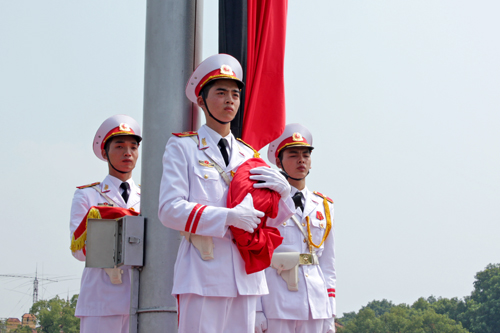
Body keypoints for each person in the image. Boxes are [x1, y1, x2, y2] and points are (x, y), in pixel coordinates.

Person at [158, 54, 295, 333]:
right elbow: (169, 209)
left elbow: (270, 219)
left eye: (235, 94)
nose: (230, 100)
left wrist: (285, 195)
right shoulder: (183, 148)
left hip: (245, 277)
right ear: (201, 100)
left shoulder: (250, 155)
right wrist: (228, 217)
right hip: (202, 272)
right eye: (220, 93)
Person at [255, 123, 336, 333]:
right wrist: (256, 309)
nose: (301, 160)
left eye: (306, 154)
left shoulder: (324, 206)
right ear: (280, 162)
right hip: (277, 300)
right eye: (293, 154)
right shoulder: (267, 201)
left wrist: (330, 311)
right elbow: (256, 256)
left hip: (315, 303)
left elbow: (328, 264)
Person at [69, 114, 142, 333]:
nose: (127, 153)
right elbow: (79, 251)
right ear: (104, 153)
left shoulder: (149, 196)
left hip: (138, 297)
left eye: (132, 147)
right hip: (101, 298)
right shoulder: (87, 196)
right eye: (119, 146)